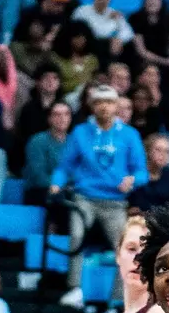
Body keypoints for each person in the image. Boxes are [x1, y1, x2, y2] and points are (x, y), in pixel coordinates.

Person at [51, 85, 145, 302]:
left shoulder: (130, 135)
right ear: (92, 106)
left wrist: (133, 180)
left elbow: (141, 172)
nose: (104, 107)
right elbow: (65, 166)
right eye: (99, 102)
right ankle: (75, 289)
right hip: (84, 198)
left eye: (109, 102)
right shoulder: (80, 132)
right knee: (76, 236)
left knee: (127, 249)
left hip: (115, 202)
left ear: (116, 105)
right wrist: (56, 184)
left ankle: (118, 299)